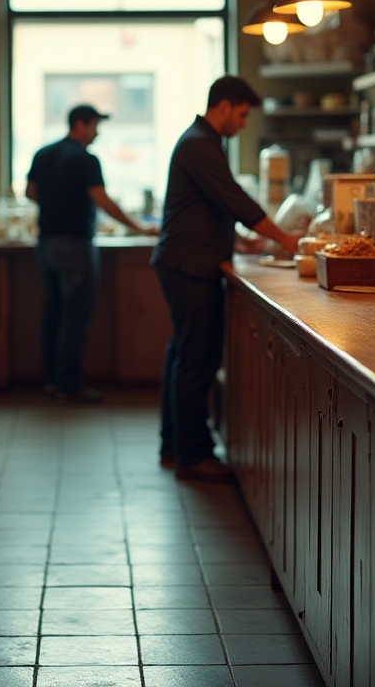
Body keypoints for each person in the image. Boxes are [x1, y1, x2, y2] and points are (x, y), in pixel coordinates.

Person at [152, 75, 299, 482]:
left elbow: (207, 206)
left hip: (186, 261)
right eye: (242, 114)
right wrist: (283, 238)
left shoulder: (199, 140)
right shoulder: (200, 143)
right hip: (189, 266)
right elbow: (232, 198)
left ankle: (174, 443)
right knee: (196, 360)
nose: (243, 123)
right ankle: (193, 454)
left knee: (183, 355)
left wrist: (240, 241)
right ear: (223, 106)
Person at [26, 104, 148, 403]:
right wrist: (137, 226)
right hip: (75, 245)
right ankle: (69, 386)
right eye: (94, 126)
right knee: (75, 317)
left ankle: (52, 381)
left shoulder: (44, 153)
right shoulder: (85, 159)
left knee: (53, 313)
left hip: (47, 244)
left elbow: (30, 192)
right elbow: (101, 200)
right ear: (80, 124)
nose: (97, 133)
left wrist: (55, 202)